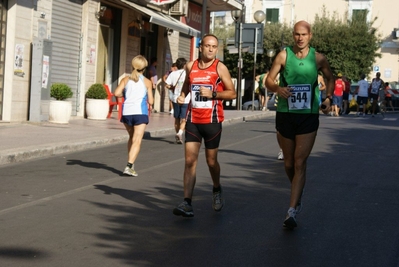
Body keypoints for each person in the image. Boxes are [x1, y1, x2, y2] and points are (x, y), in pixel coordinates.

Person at [265, 20, 334, 229]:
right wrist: (278, 89)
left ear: (310, 35)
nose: (300, 38)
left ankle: (292, 210)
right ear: (293, 35)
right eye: (296, 34)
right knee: (288, 163)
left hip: (309, 115)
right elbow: (268, 80)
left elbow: (330, 78)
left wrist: (328, 98)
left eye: (304, 34)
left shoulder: (319, 58)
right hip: (286, 113)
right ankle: (298, 187)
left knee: (299, 162)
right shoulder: (284, 55)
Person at [172, 34, 236, 217]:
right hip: (193, 120)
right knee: (190, 161)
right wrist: (183, 95)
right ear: (200, 47)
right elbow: (186, 84)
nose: (210, 49)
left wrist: (214, 94)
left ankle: (216, 188)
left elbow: (232, 93)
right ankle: (187, 202)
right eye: (207, 46)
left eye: (214, 47)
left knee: (211, 162)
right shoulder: (190, 66)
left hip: (212, 122)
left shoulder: (220, 68)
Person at [114, 55, 154, 176]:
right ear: (144, 68)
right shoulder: (147, 82)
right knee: (137, 140)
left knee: (131, 137)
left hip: (126, 113)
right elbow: (151, 101)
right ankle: (129, 165)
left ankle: (131, 161)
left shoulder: (125, 79)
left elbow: (116, 93)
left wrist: (124, 96)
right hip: (140, 113)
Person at [165, 58, 188, 144]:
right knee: (184, 119)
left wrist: (172, 88)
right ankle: (180, 133)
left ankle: (178, 134)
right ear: (184, 65)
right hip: (185, 99)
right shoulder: (187, 73)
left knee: (177, 118)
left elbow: (167, 85)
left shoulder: (172, 74)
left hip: (175, 99)